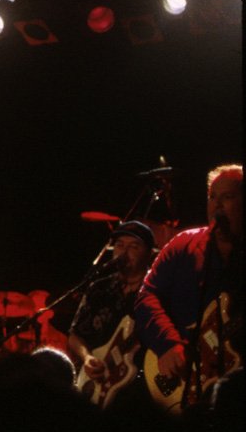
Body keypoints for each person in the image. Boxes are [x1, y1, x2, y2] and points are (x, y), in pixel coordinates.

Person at [136, 164, 243, 403]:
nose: (217, 205)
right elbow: (147, 295)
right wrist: (167, 344)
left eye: (227, 197)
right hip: (179, 377)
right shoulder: (183, 244)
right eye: (212, 197)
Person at [67, 220, 156, 399]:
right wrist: (87, 358)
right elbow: (75, 335)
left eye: (133, 246)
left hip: (139, 385)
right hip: (95, 383)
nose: (124, 252)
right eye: (119, 245)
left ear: (149, 254)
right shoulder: (98, 288)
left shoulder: (156, 290)